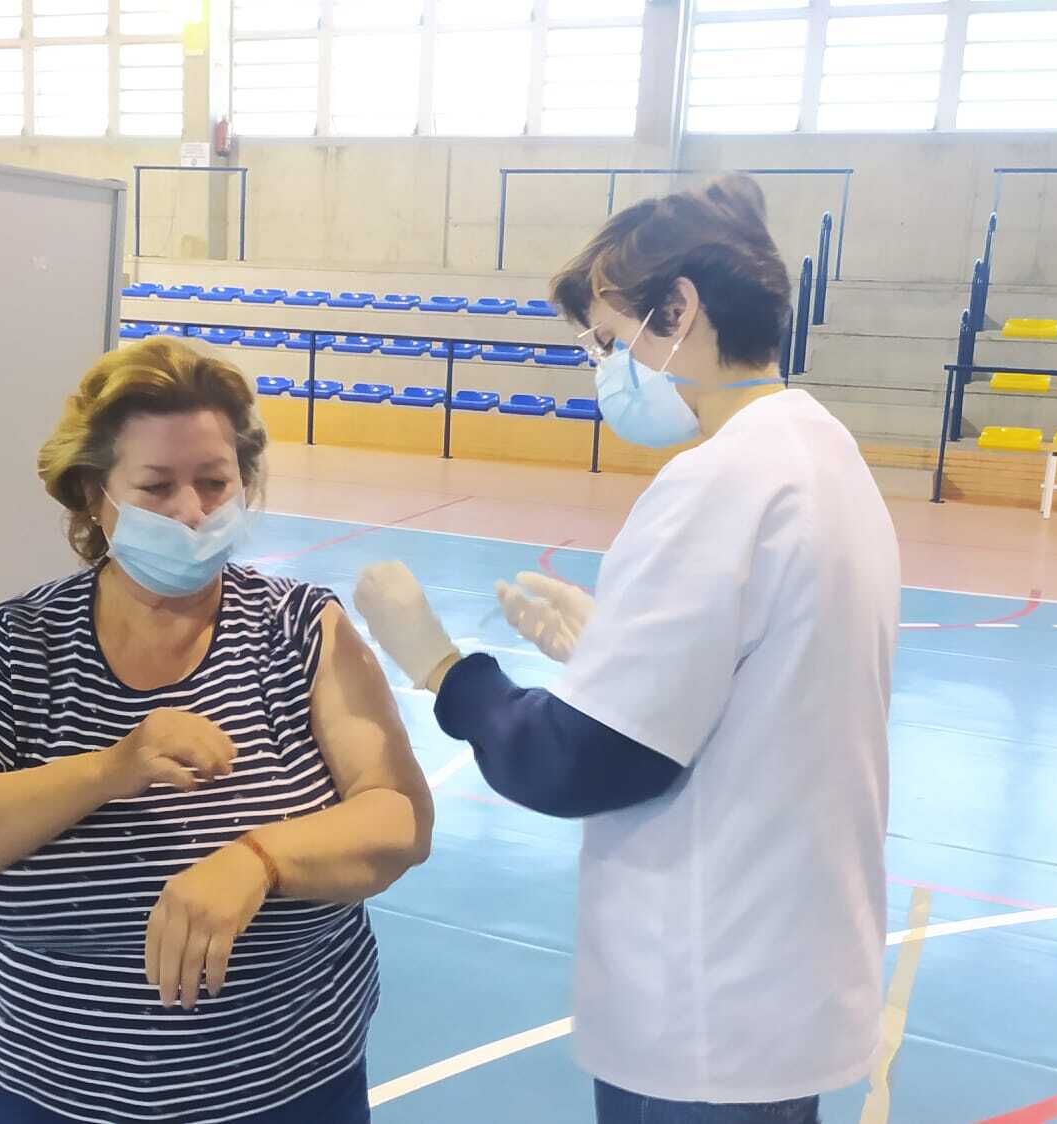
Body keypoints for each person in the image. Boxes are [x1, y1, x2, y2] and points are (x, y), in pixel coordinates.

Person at [354, 175, 898, 1124]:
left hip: (707, 1000)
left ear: (678, 310)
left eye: (612, 340)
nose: (607, 368)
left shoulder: (719, 483)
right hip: (783, 977)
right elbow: (760, 690)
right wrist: (613, 651)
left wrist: (442, 667)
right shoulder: (821, 453)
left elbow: (576, 763)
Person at [0, 337, 434, 1123]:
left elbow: (399, 817)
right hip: (49, 1095)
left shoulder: (300, 629)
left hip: (288, 1088)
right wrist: (112, 767)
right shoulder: (18, 644)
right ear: (93, 494)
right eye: (156, 487)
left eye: (214, 482)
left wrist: (259, 860)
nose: (192, 513)